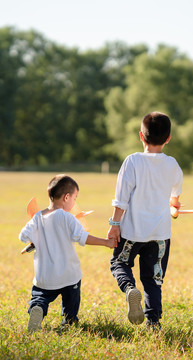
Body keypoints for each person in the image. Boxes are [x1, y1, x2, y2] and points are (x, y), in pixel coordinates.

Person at [107, 111, 183, 329]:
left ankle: (130, 288)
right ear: (168, 138)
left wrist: (114, 226)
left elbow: (121, 201)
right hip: (160, 235)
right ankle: (154, 323)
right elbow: (174, 200)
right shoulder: (173, 165)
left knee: (119, 262)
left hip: (132, 232)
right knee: (153, 280)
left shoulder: (132, 161)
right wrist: (174, 207)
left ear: (141, 136)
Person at [19, 174, 116, 332]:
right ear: (66, 197)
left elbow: (23, 236)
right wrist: (106, 242)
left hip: (44, 276)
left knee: (40, 296)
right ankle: (69, 320)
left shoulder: (37, 217)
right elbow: (82, 237)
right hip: (68, 275)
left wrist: (35, 240)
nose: (74, 202)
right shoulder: (68, 218)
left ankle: (38, 308)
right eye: (75, 198)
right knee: (71, 299)